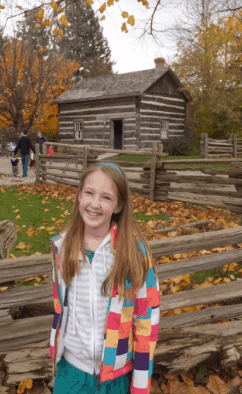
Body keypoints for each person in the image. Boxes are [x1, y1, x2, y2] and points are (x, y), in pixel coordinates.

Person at [50, 162, 160, 394]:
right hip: (71, 372)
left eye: (106, 197)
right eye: (89, 193)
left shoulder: (135, 254)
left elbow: (147, 323)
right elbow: (61, 309)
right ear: (79, 196)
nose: (94, 204)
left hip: (116, 378)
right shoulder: (62, 248)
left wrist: (140, 385)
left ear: (119, 205)